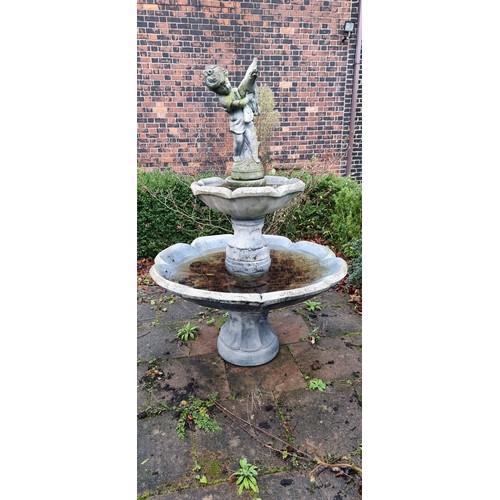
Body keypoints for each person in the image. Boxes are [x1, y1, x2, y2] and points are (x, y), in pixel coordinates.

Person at [202, 59, 261, 165]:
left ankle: (254, 156)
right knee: (239, 141)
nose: (227, 87)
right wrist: (247, 99)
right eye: (221, 88)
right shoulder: (223, 99)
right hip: (236, 124)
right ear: (215, 91)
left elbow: (241, 91)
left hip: (245, 120)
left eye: (226, 83)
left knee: (251, 138)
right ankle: (237, 155)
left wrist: (250, 79)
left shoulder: (232, 90)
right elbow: (236, 104)